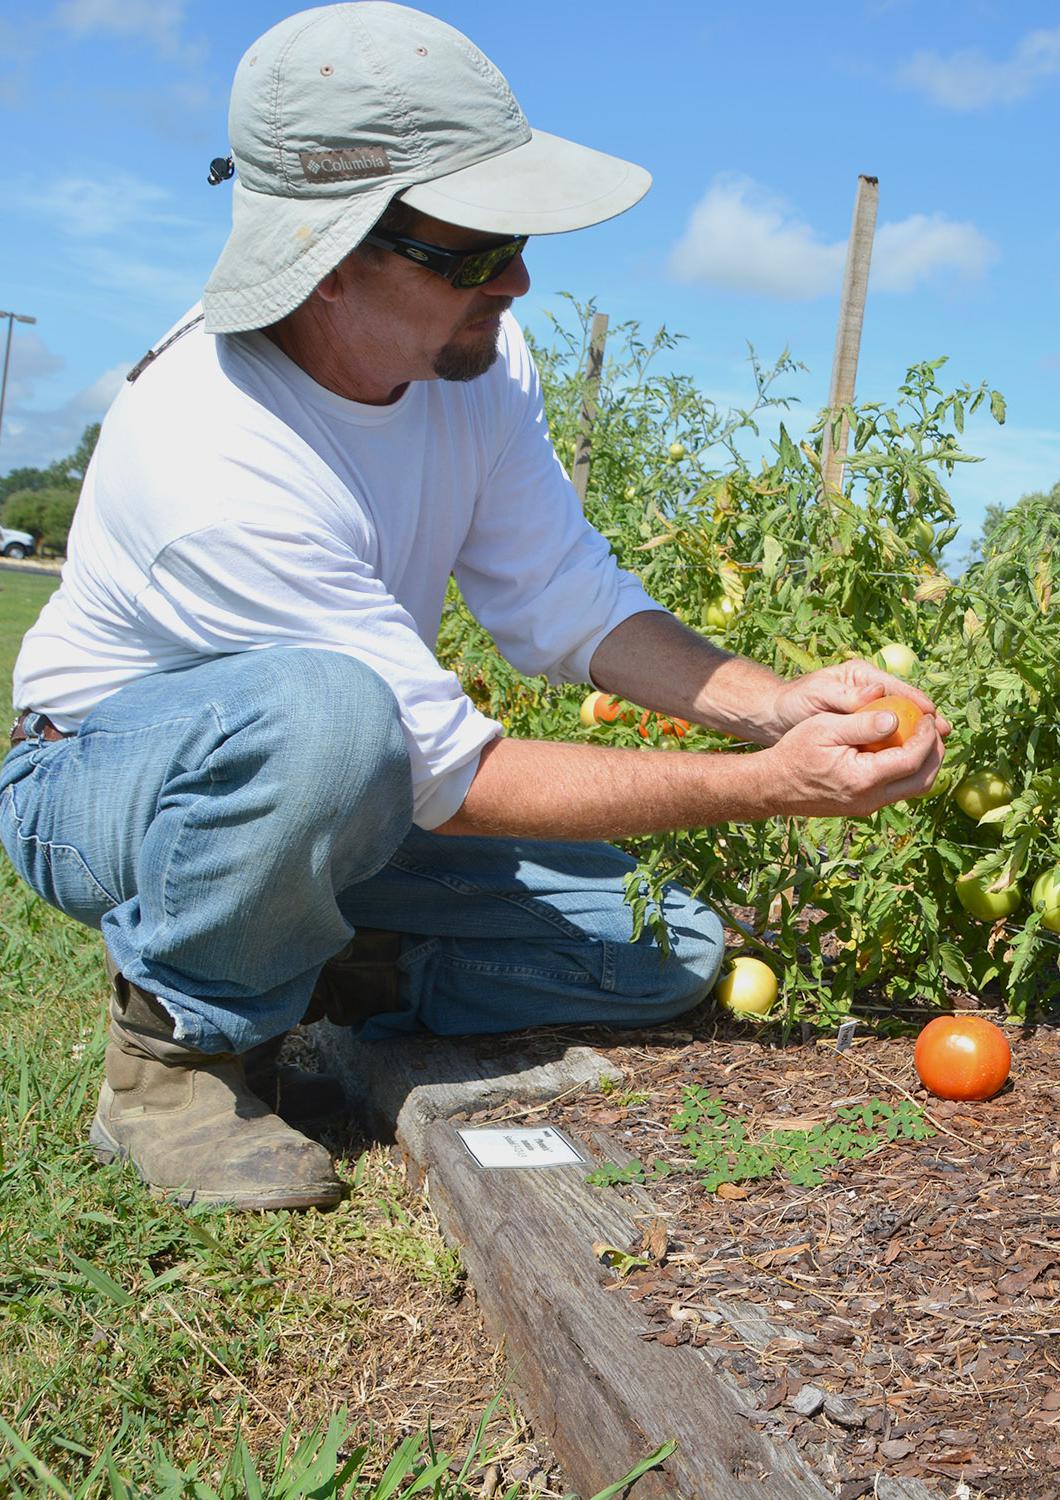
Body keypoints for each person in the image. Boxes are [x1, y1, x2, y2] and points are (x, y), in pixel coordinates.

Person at [0, 1, 944, 1213]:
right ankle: (176, 1053)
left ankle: (323, 960)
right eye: (471, 249)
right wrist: (775, 786)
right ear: (333, 262)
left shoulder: (479, 362)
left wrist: (770, 706)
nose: (518, 276)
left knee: (668, 951)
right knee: (325, 719)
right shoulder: (212, 444)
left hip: (353, 787)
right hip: (102, 783)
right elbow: (448, 776)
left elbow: (565, 599)